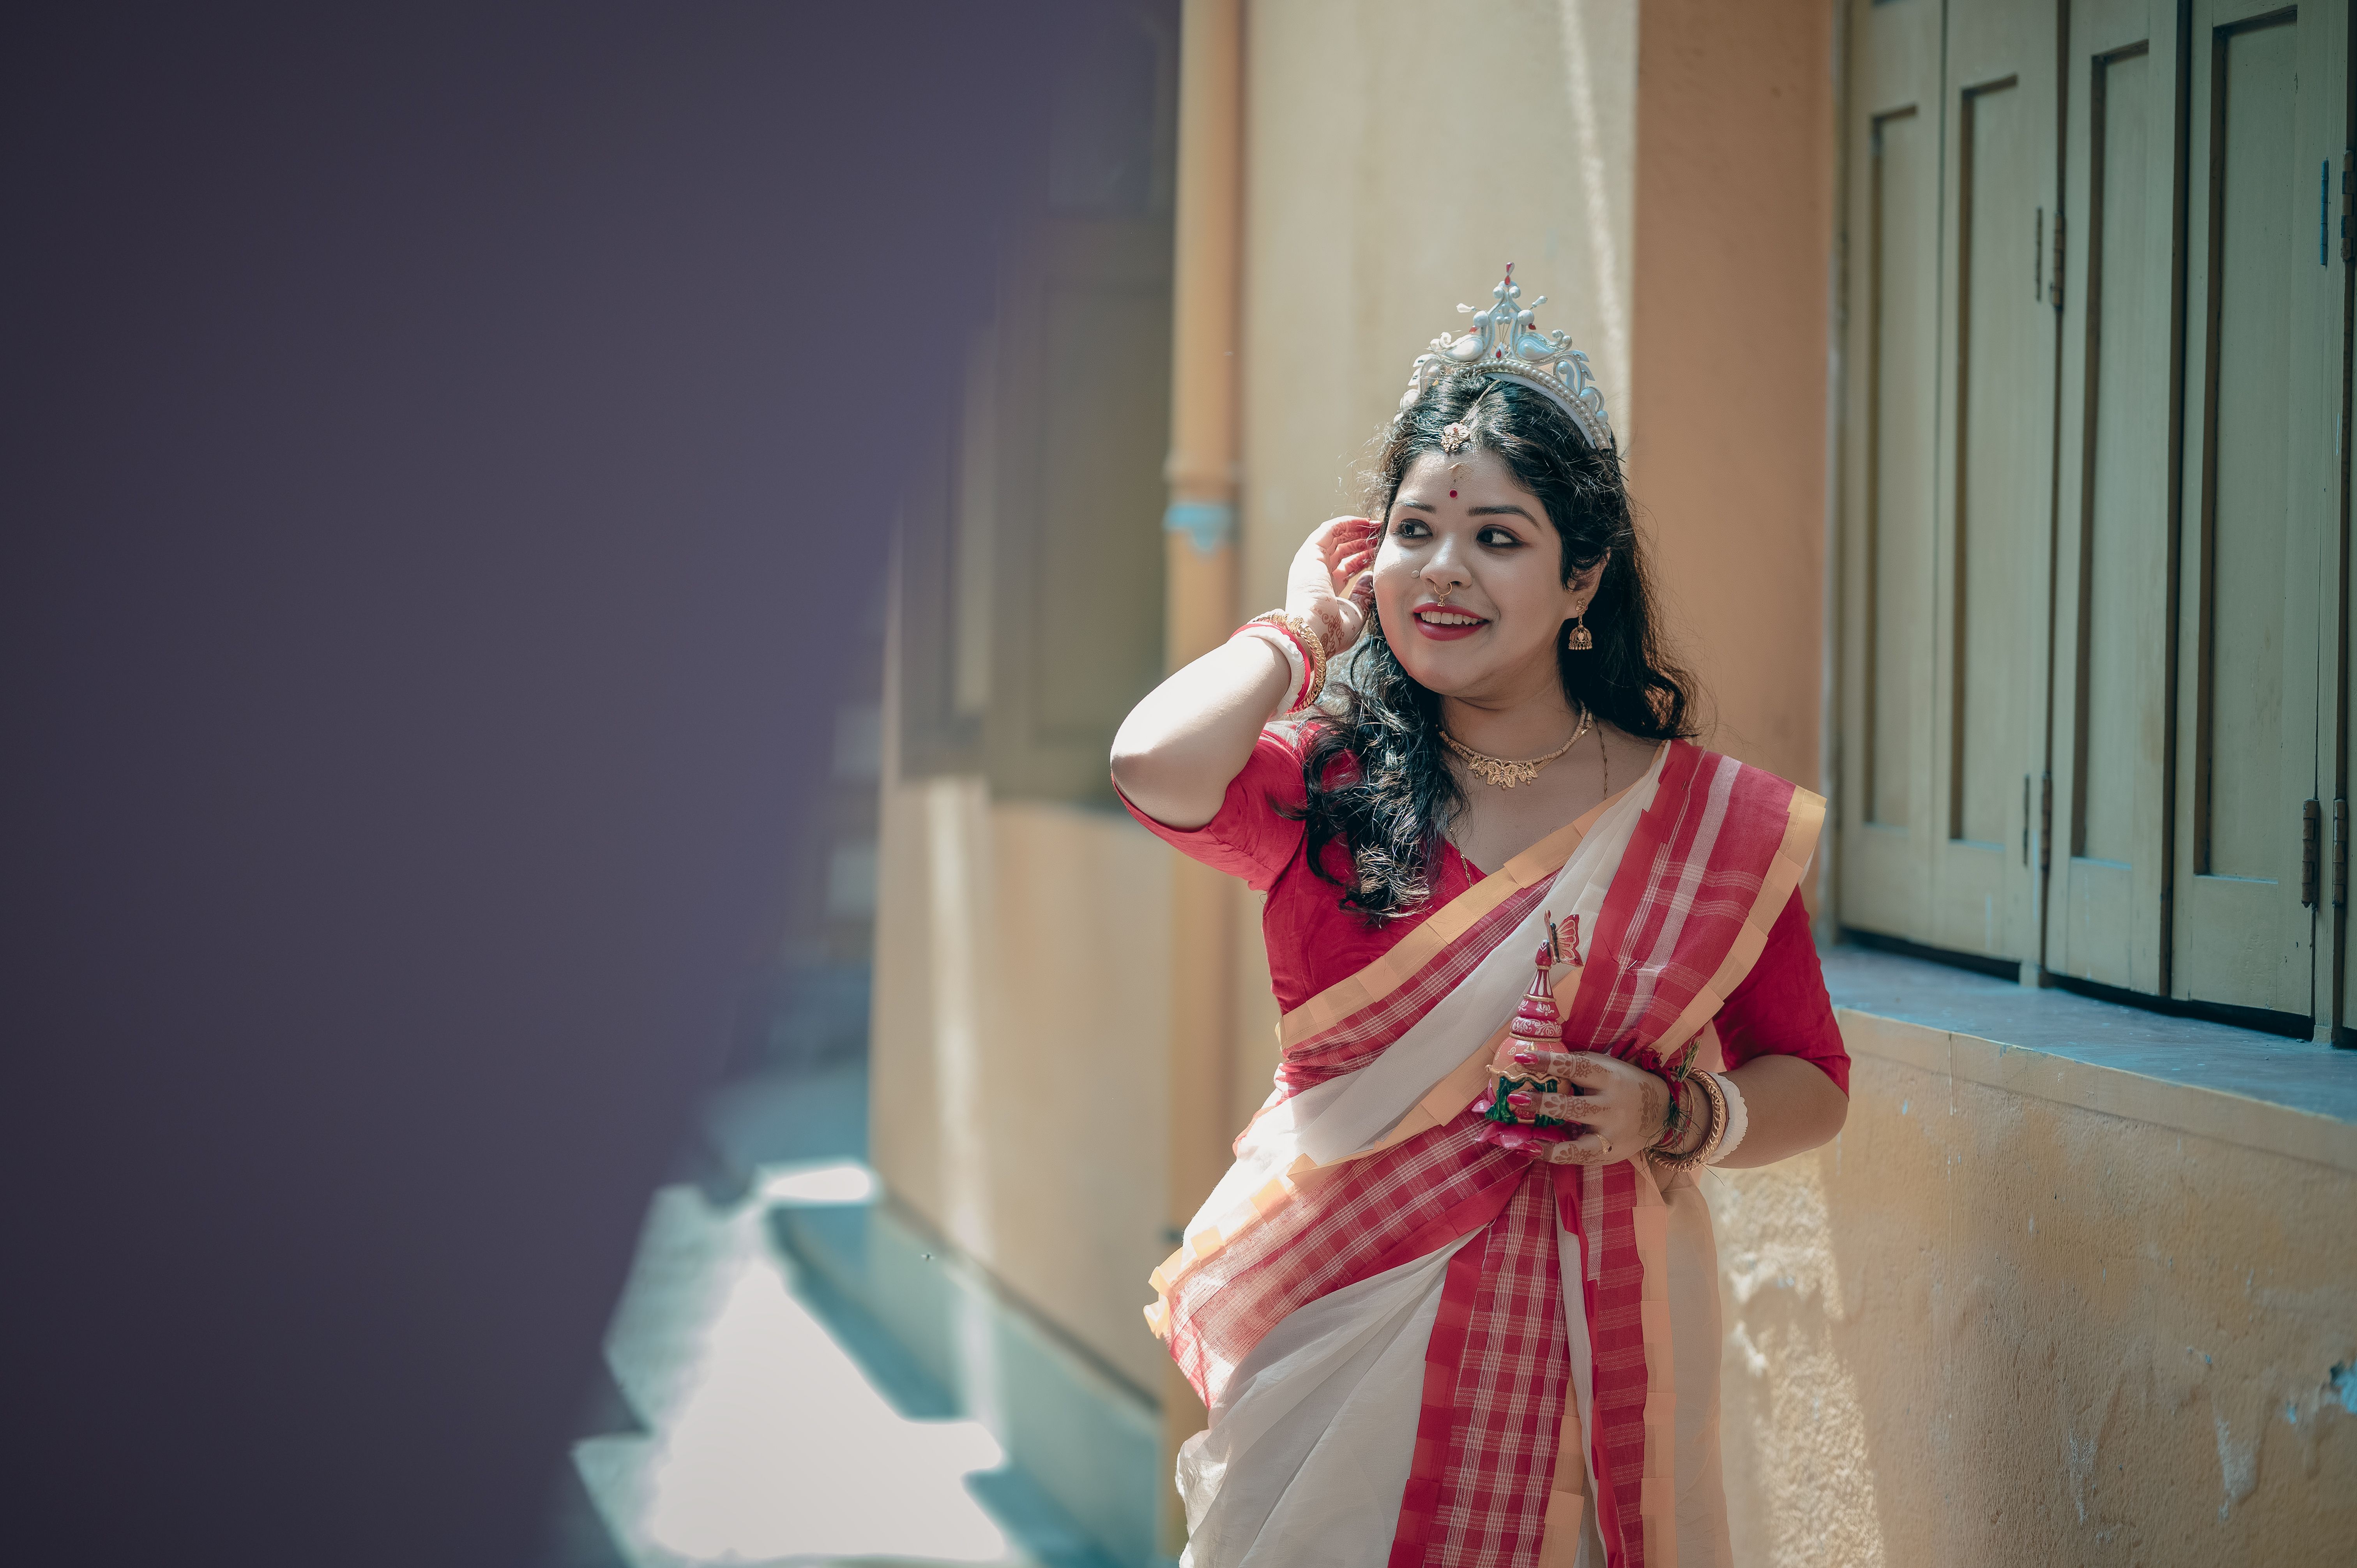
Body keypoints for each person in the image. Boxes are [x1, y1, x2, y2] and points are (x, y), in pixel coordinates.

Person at [1110, 270, 1848, 1568]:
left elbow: (1814, 1081)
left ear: (1585, 578)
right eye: (1412, 533)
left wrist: (1672, 1116)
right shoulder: (1327, 783)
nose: (1443, 573)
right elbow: (1153, 764)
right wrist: (1308, 626)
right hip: (1335, 1345)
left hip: (1595, 1332)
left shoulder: (1698, 825)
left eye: (1499, 538)